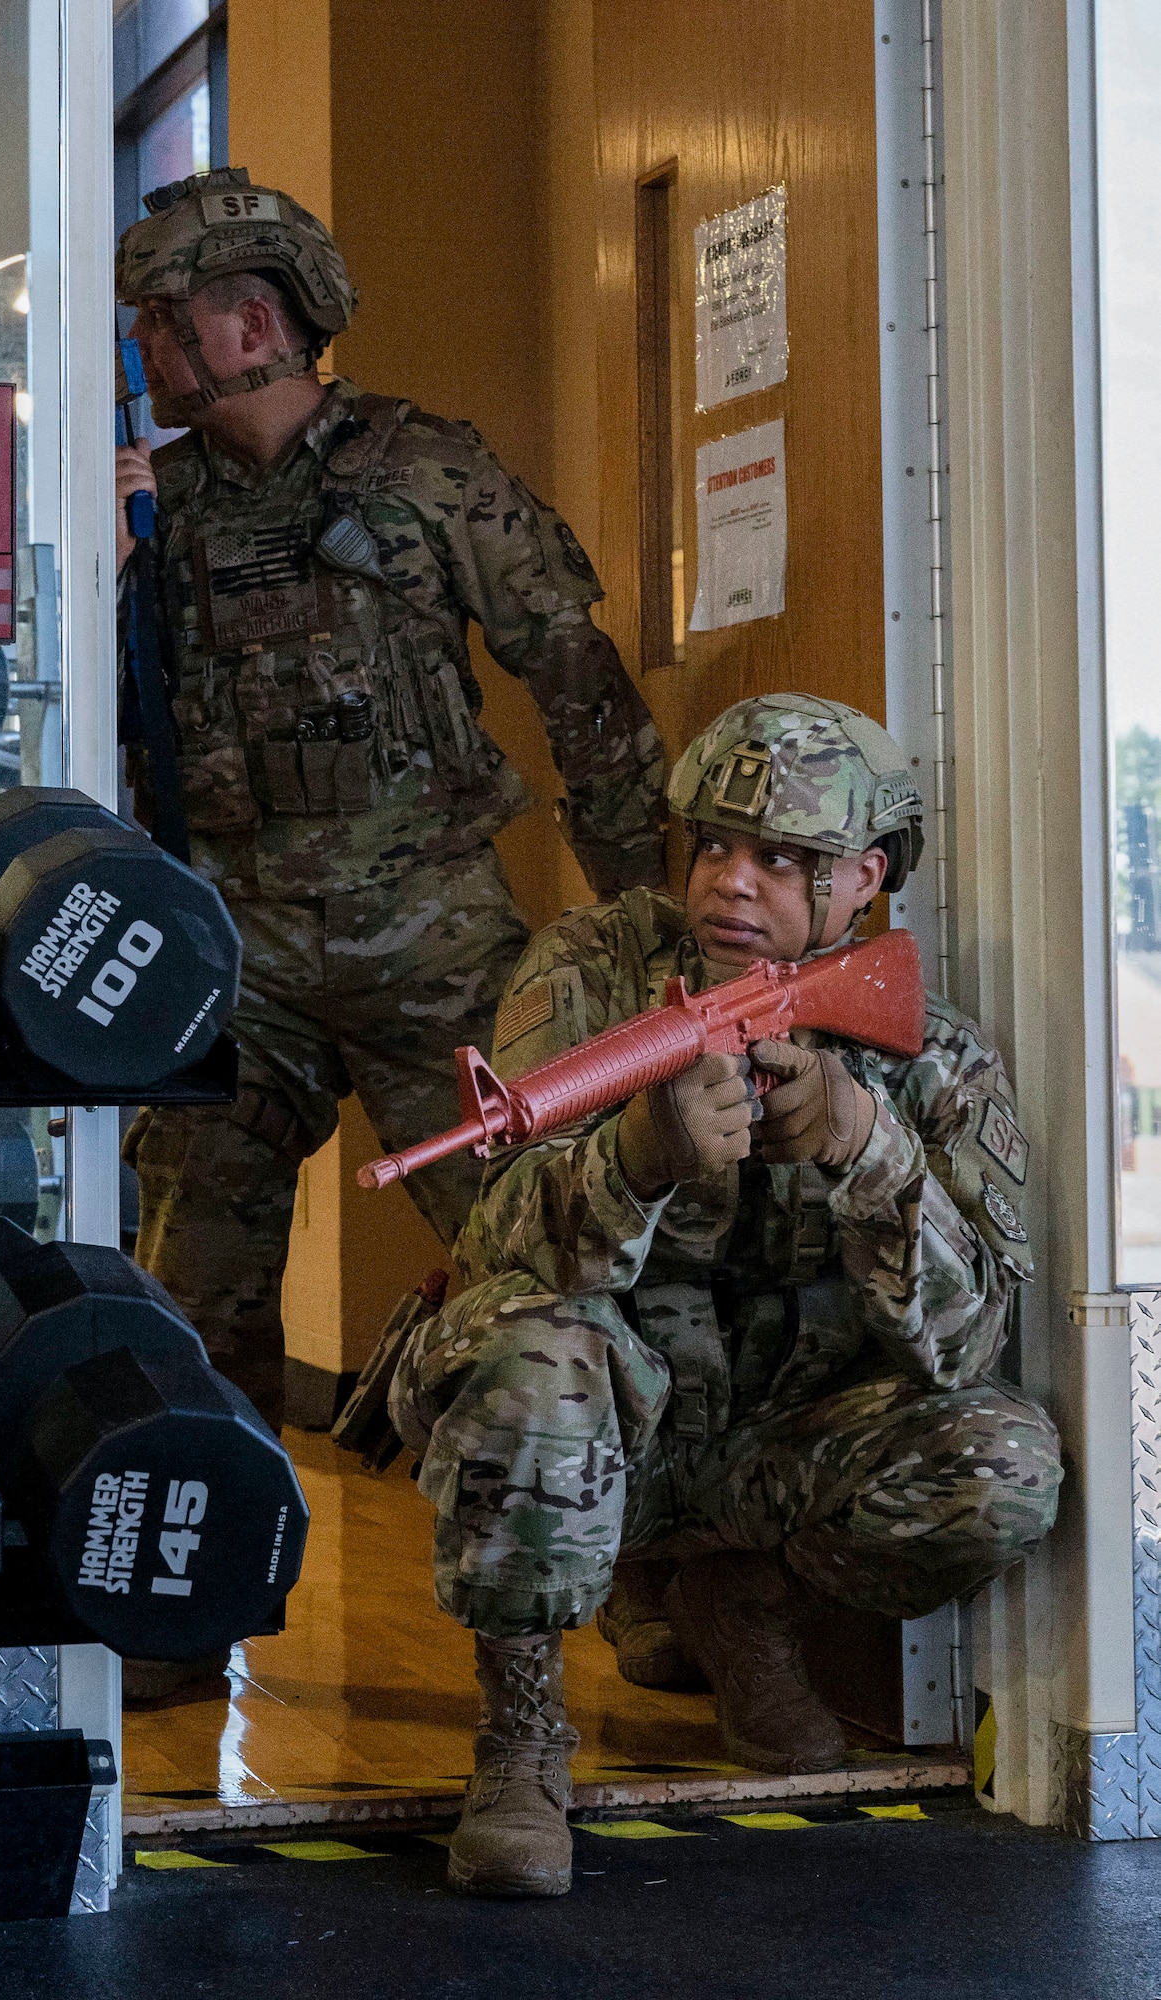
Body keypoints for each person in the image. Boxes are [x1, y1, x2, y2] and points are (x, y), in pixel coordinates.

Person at [390, 692, 1062, 1899]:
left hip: (780, 1452)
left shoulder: (929, 1052)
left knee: (1005, 1464)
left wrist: (867, 1149)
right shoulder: (592, 976)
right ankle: (524, 1730)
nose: (731, 883)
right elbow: (494, 1239)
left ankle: (740, 1604)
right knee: (529, 1347)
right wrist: (631, 1160)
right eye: (711, 844)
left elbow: (970, 1342)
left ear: (864, 879)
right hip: (616, 1432)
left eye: (782, 858)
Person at [113, 166, 666, 1460]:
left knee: (539, 1252)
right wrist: (97, 564)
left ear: (249, 325)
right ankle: (190, 1597)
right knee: (186, 1282)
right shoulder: (154, 505)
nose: (140, 345)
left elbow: (573, 679)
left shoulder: (425, 470)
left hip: (433, 948)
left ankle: (631, 1569)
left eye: (158, 317)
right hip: (231, 955)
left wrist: (643, 917)